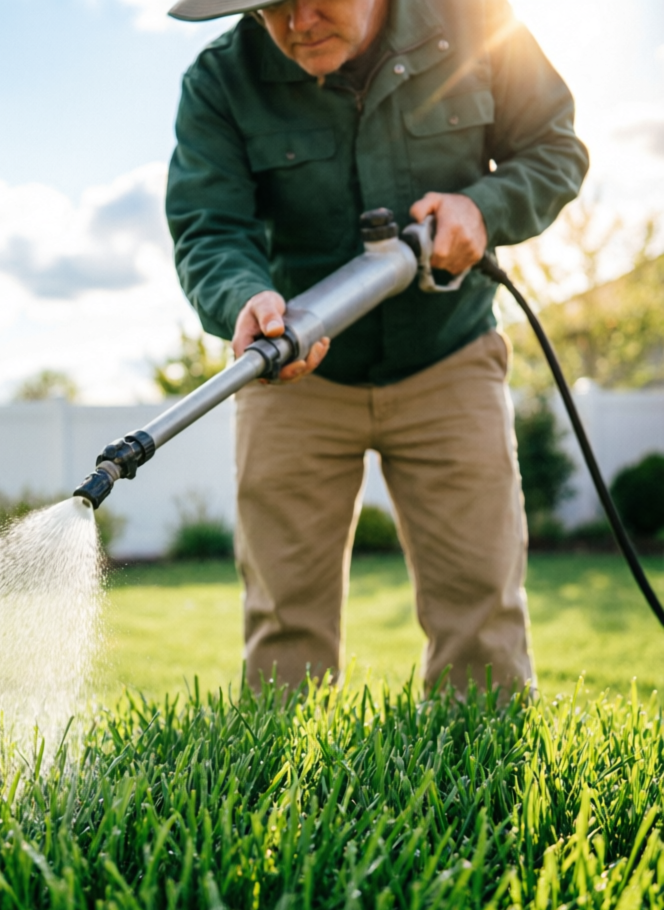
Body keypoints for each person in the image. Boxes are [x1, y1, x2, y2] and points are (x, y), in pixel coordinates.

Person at [165, 0, 588, 698]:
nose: (298, 21)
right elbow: (209, 228)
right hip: (294, 375)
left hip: (449, 357)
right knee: (283, 618)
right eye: (271, 7)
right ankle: (283, 757)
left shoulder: (477, 21)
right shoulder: (219, 80)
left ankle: (479, 749)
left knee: (481, 612)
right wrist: (244, 297)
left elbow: (554, 149)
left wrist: (484, 207)